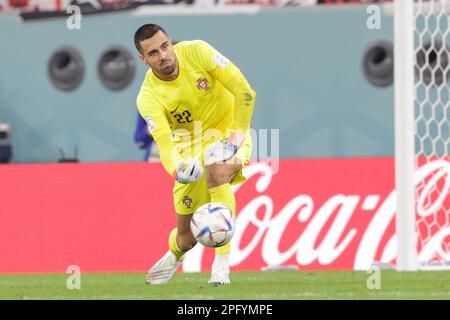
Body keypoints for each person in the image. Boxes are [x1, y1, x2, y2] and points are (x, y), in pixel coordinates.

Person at [134, 24, 256, 285]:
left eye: (165, 46)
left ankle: (221, 265)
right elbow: (165, 145)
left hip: (230, 133)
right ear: (143, 59)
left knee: (217, 168)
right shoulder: (148, 98)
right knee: (186, 238)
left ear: (171, 43)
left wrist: (237, 136)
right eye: (154, 53)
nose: (164, 55)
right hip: (189, 151)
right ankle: (175, 253)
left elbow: (245, 92)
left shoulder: (198, 52)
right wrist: (177, 169)